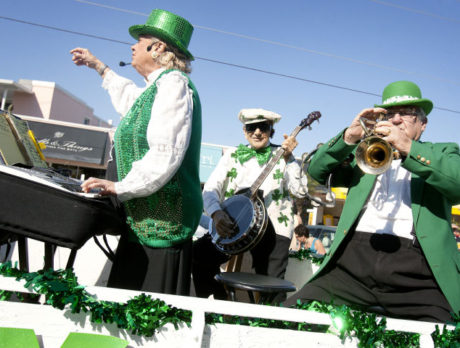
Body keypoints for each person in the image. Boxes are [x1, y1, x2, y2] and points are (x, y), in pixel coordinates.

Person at [284, 81, 460, 323]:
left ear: (423, 123)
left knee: (446, 336)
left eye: (406, 113)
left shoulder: (442, 152)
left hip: (419, 276)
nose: (396, 120)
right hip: (352, 266)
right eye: (389, 114)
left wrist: (408, 147)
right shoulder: (365, 151)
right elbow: (316, 171)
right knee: (292, 316)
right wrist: (349, 136)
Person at [70, 9, 202, 295]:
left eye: (140, 40)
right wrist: (99, 67)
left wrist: (119, 187)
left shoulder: (174, 85)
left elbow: (165, 153)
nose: (132, 46)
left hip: (163, 224)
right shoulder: (158, 87)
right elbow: (129, 97)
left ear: (158, 48)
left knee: (152, 319)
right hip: (144, 221)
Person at [192, 108, 308, 302]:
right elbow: (211, 189)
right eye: (251, 127)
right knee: (198, 255)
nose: (257, 132)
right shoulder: (232, 156)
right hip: (234, 225)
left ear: (271, 131)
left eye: (263, 127)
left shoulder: (285, 156)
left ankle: (268, 325)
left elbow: (300, 192)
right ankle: (219, 308)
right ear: (244, 131)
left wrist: (289, 159)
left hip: (274, 230)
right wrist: (216, 214)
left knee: (271, 285)